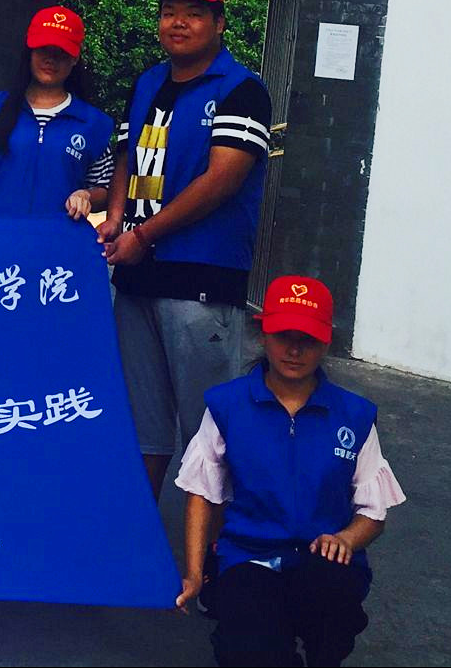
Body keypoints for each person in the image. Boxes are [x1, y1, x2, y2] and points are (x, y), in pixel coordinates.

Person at [96, 0, 273, 492]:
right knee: (140, 429)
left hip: (201, 282)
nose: (178, 23)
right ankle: (137, 535)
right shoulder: (147, 82)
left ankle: (219, 540)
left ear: (219, 23)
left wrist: (142, 235)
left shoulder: (243, 89)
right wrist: (116, 218)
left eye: (194, 14)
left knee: (210, 433)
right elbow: (126, 155)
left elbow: (222, 180)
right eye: (169, 12)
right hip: (137, 280)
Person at [173, 275, 406, 667]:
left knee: (332, 605)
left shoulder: (355, 415)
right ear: (264, 334)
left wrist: (346, 539)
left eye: (308, 339)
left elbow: (373, 511)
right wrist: (195, 575)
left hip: (322, 566)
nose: (295, 350)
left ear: (326, 342)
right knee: (248, 651)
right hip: (250, 559)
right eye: (284, 336)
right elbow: (201, 493)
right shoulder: (227, 406)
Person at [0, 5, 116, 219]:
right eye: (43, 49)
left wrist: (86, 195)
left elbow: (104, 188)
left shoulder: (94, 124)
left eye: (61, 53)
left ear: (75, 58)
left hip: (58, 237)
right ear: (29, 51)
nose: (50, 59)